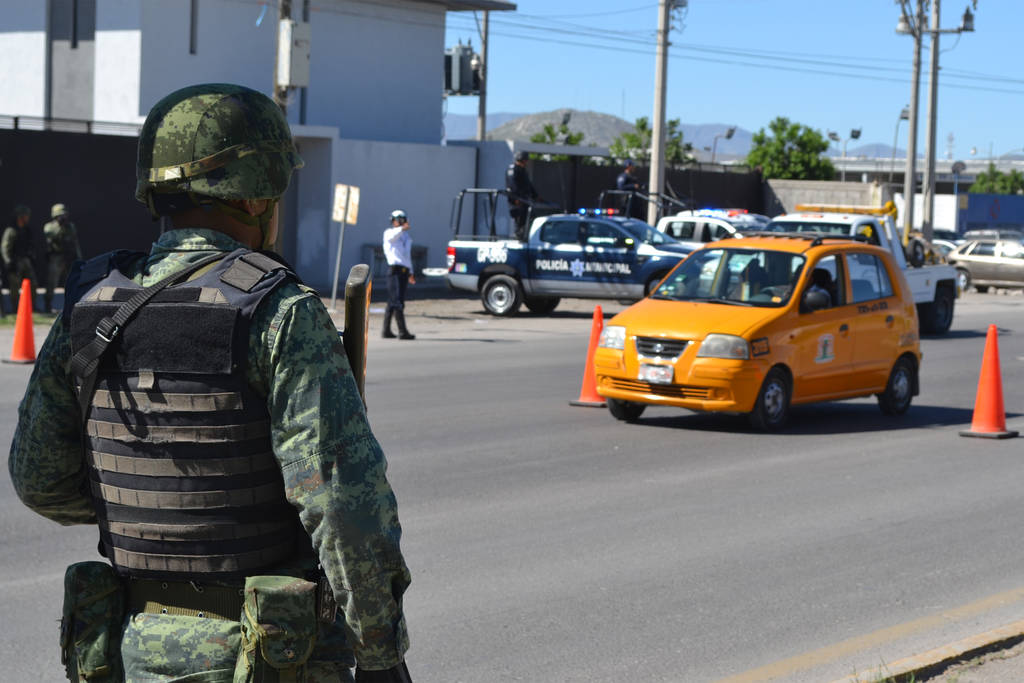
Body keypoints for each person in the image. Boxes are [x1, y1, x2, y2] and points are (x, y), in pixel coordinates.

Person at [8, 84, 413, 683]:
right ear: (255, 195)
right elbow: (343, 505)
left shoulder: (92, 300)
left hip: (123, 653)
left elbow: (39, 479)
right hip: (259, 656)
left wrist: (152, 518)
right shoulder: (279, 310)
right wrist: (380, 654)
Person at [382, 210, 416, 340]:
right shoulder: (389, 233)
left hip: (404, 271)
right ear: (393, 221)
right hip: (394, 270)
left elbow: (407, 256)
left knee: (393, 301)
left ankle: (386, 330)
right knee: (396, 301)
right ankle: (402, 331)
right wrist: (401, 228)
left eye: (402, 220)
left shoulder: (406, 236)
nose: (400, 222)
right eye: (398, 220)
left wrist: (411, 272)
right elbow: (392, 236)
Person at [42, 203, 83, 312]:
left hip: (68, 257)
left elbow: (75, 242)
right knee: (52, 282)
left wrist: (78, 257)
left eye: (64, 215)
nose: (64, 217)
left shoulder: (70, 226)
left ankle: (70, 306)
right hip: (56, 257)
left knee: (70, 283)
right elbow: (51, 234)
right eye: (61, 215)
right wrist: (60, 226)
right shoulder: (50, 227)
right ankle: (47, 304)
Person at [2, 204, 40, 314]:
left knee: (33, 283)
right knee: (15, 286)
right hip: (15, 261)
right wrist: (8, 262)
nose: (27, 218)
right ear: (20, 216)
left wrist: (31, 256)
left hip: (26, 260)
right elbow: (5, 247)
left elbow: (30, 245)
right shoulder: (11, 231)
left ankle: (32, 306)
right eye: (26, 215)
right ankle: (16, 308)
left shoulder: (27, 230)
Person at [505, 150, 539, 240]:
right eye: (525, 160)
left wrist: (535, 195)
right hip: (517, 201)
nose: (526, 162)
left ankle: (524, 236)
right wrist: (517, 198)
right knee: (520, 220)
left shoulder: (522, 170)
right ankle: (520, 236)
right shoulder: (513, 169)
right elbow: (513, 185)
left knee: (528, 219)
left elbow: (528, 184)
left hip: (524, 200)